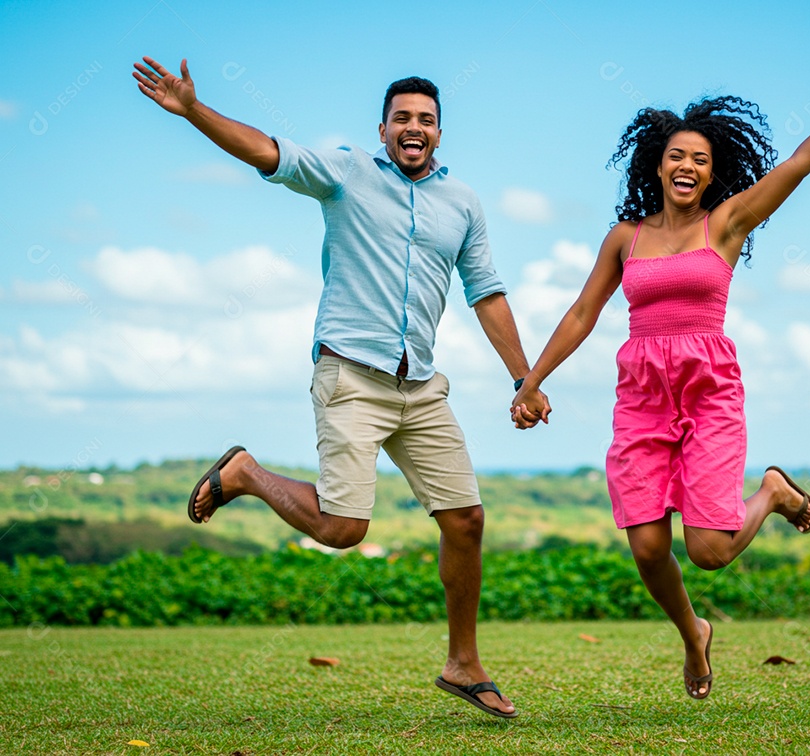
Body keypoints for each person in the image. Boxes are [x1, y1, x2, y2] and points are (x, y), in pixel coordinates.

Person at [132, 56, 551, 719]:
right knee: (343, 527)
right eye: (403, 119)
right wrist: (193, 110)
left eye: (428, 120)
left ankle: (463, 664)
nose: (415, 129)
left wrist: (525, 378)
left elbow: (487, 295)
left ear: (440, 133)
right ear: (383, 128)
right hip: (351, 373)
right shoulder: (348, 170)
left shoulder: (463, 203)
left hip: (421, 385)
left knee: (466, 520)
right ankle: (244, 473)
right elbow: (269, 152)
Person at [510, 49, 810, 699]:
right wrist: (532, 380)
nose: (687, 166)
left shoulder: (726, 223)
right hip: (642, 393)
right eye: (676, 156)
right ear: (656, 164)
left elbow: (800, 164)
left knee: (711, 550)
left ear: (712, 170)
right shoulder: (625, 237)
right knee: (644, 546)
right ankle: (694, 634)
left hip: (708, 386)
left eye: (700, 159)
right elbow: (583, 311)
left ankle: (773, 491)